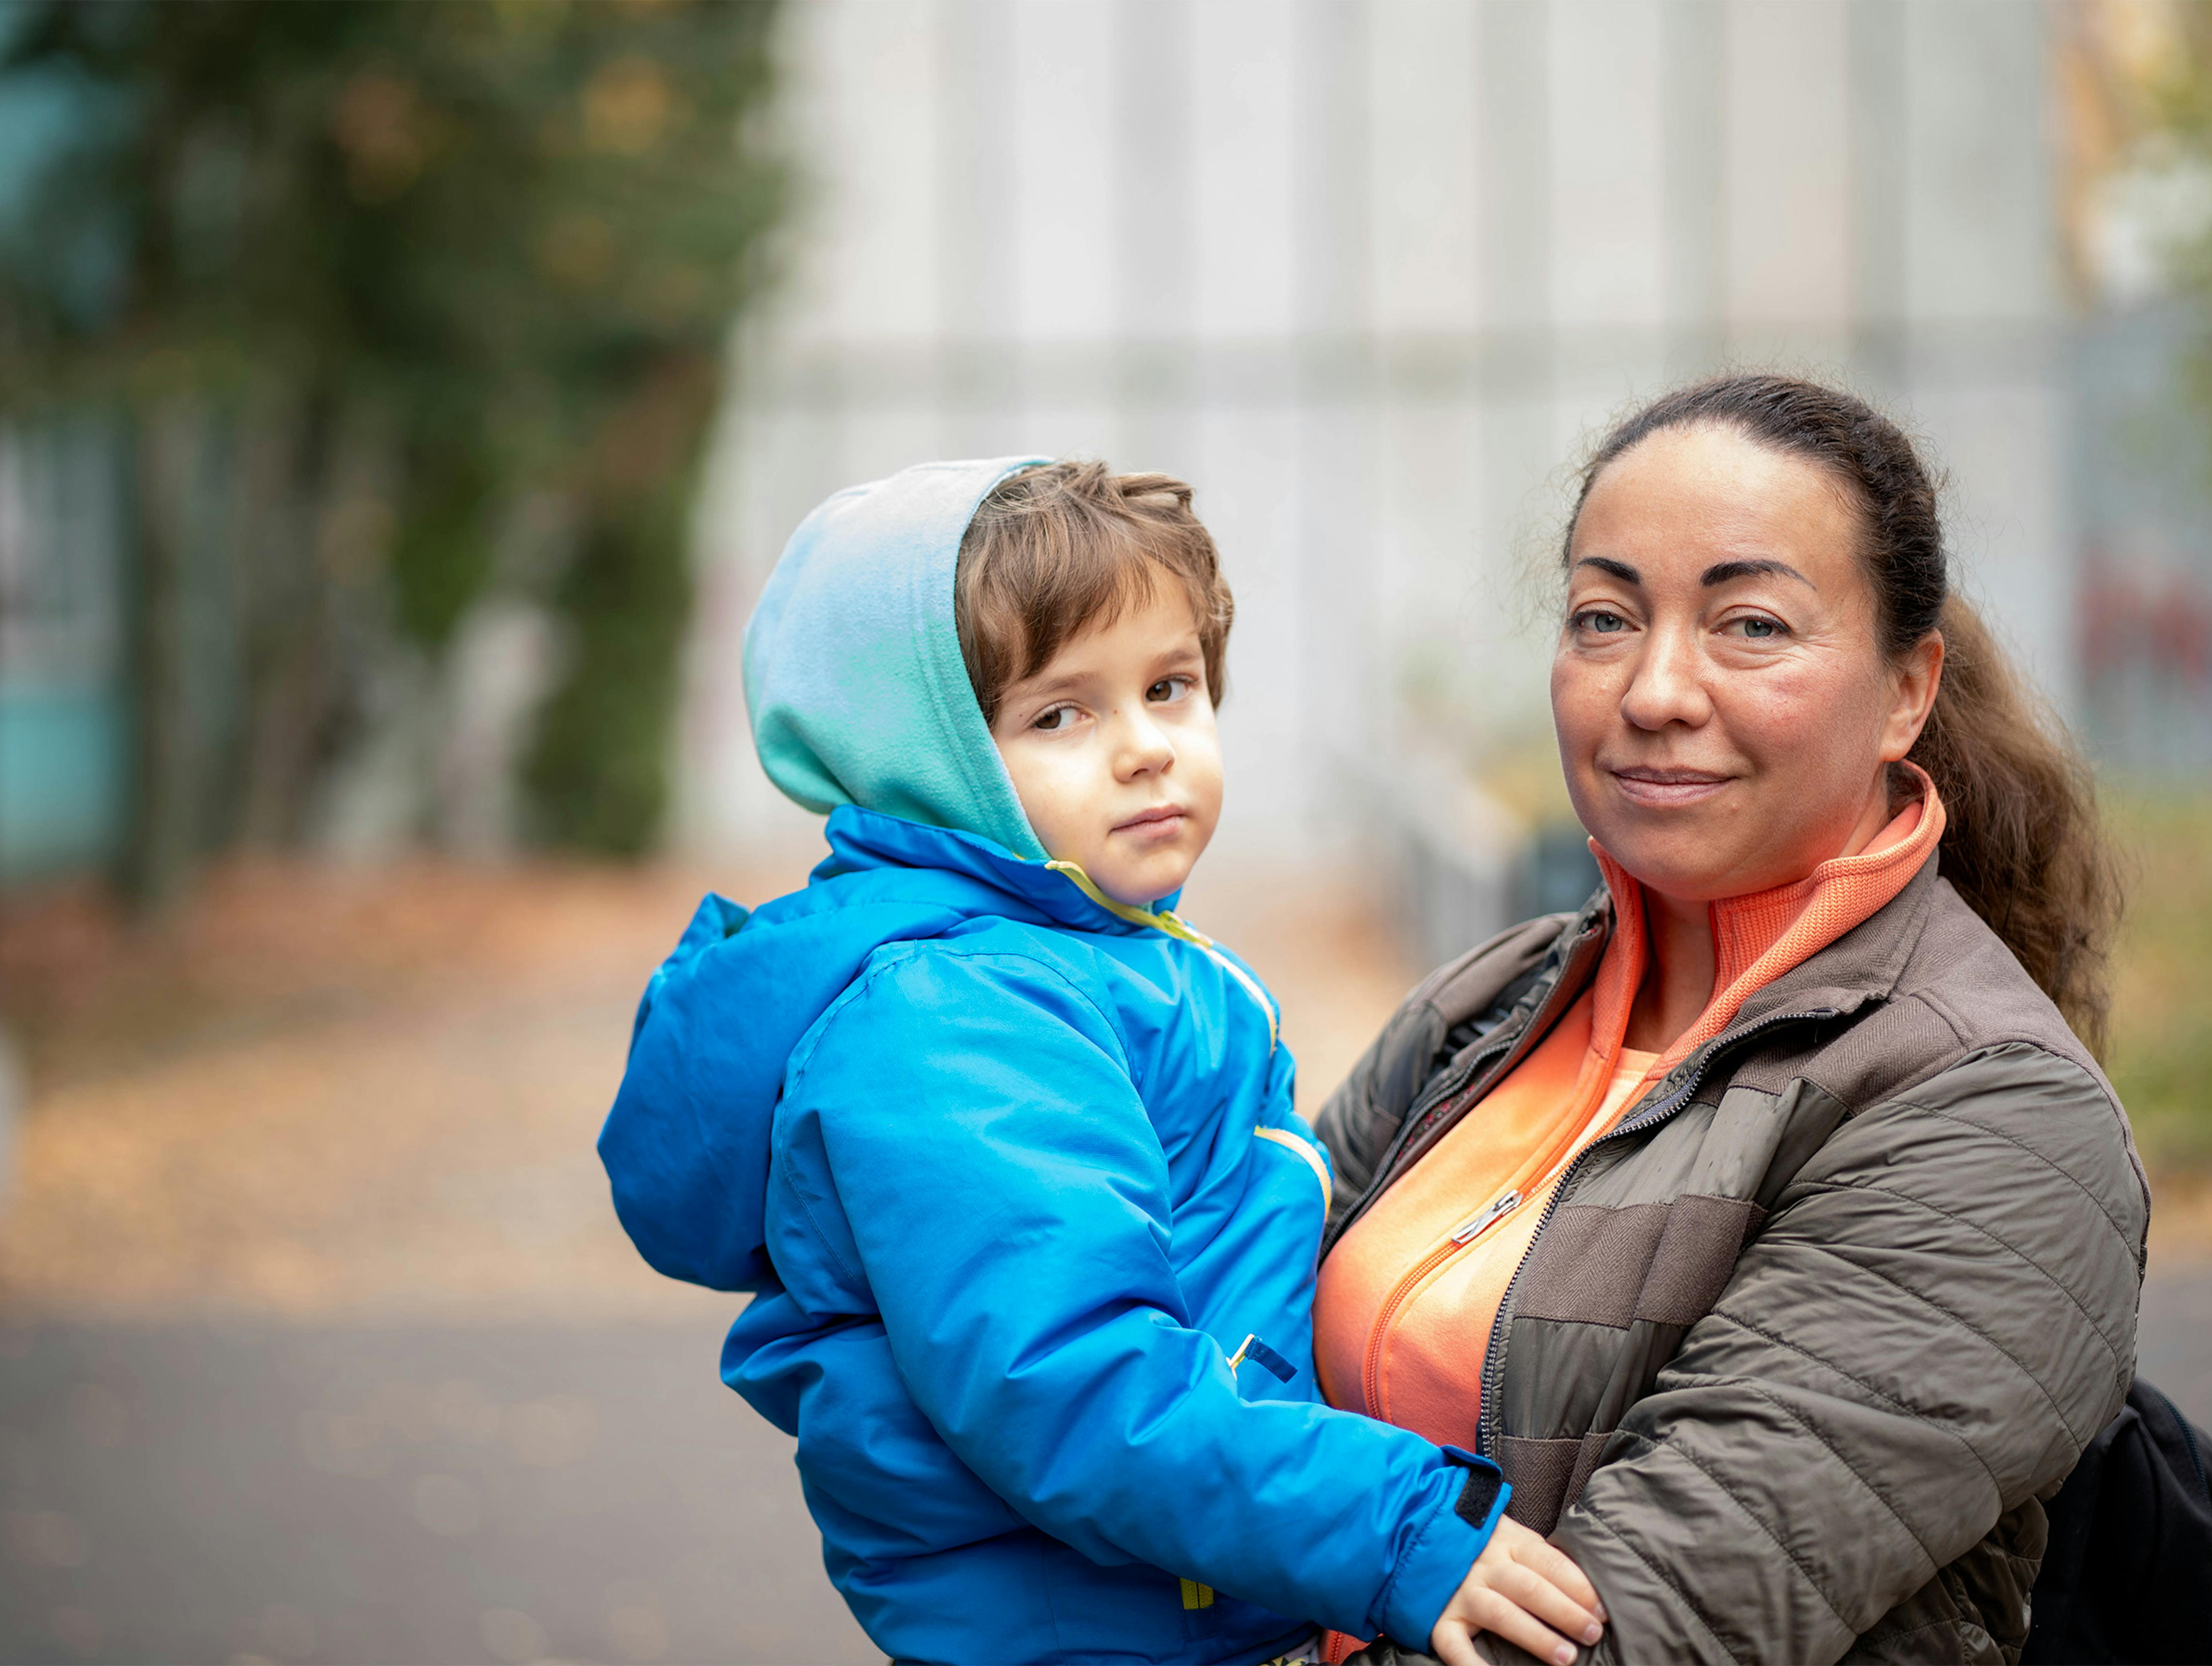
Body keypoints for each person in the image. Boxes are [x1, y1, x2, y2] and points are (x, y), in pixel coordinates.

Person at [600, 459, 1605, 1666]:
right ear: (927, 762)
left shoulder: (1082, 954)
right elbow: (1072, 1380)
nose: (1145, 749)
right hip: (1096, 1626)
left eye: (1170, 687)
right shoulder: (957, 1018)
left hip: (1168, 1592)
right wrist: (1394, 1528)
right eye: (1059, 714)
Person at [1313, 374, 2148, 1664]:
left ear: (1906, 691)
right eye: (1605, 616)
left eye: (1750, 625)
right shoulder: (1483, 1009)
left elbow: (1639, 1627)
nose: (1654, 689)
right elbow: (1200, 1381)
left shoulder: (1990, 1111)